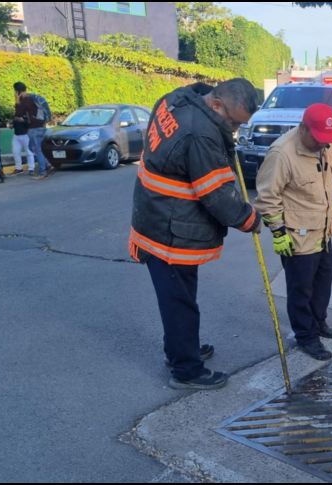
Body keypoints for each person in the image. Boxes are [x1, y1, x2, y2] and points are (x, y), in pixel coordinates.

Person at [129, 79, 261, 390]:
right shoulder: (199, 132)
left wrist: (226, 136)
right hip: (169, 230)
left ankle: (181, 346)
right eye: (232, 122)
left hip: (158, 216)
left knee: (180, 297)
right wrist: (249, 218)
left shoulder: (179, 98)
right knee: (179, 302)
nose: (233, 130)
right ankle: (185, 369)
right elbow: (215, 194)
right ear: (216, 104)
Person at [254, 103, 332, 361]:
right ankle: (306, 336)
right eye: (318, 139)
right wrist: (278, 231)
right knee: (301, 290)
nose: (323, 144)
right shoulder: (282, 154)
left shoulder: (326, 145)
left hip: (324, 230)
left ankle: (319, 323)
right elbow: (267, 196)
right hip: (298, 235)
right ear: (304, 129)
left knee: (322, 284)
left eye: (326, 140)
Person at [13, 82, 53, 179]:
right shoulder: (33, 97)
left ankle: (42, 172)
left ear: (17, 91)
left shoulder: (25, 100)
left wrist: (17, 101)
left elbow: (18, 113)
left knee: (36, 149)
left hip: (34, 128)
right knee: (33, 148)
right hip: (42, 126)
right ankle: (47, 165)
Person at [11, 100, 35, 175]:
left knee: (29, 152)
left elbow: (31, 124)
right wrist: (11, 125)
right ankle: (18, 168)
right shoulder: (15, 115)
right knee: (15, 152)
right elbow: (14, 125)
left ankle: (31, 168)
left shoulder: (27, 114)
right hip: (16, 135)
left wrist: (23, 121)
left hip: (26, 135)